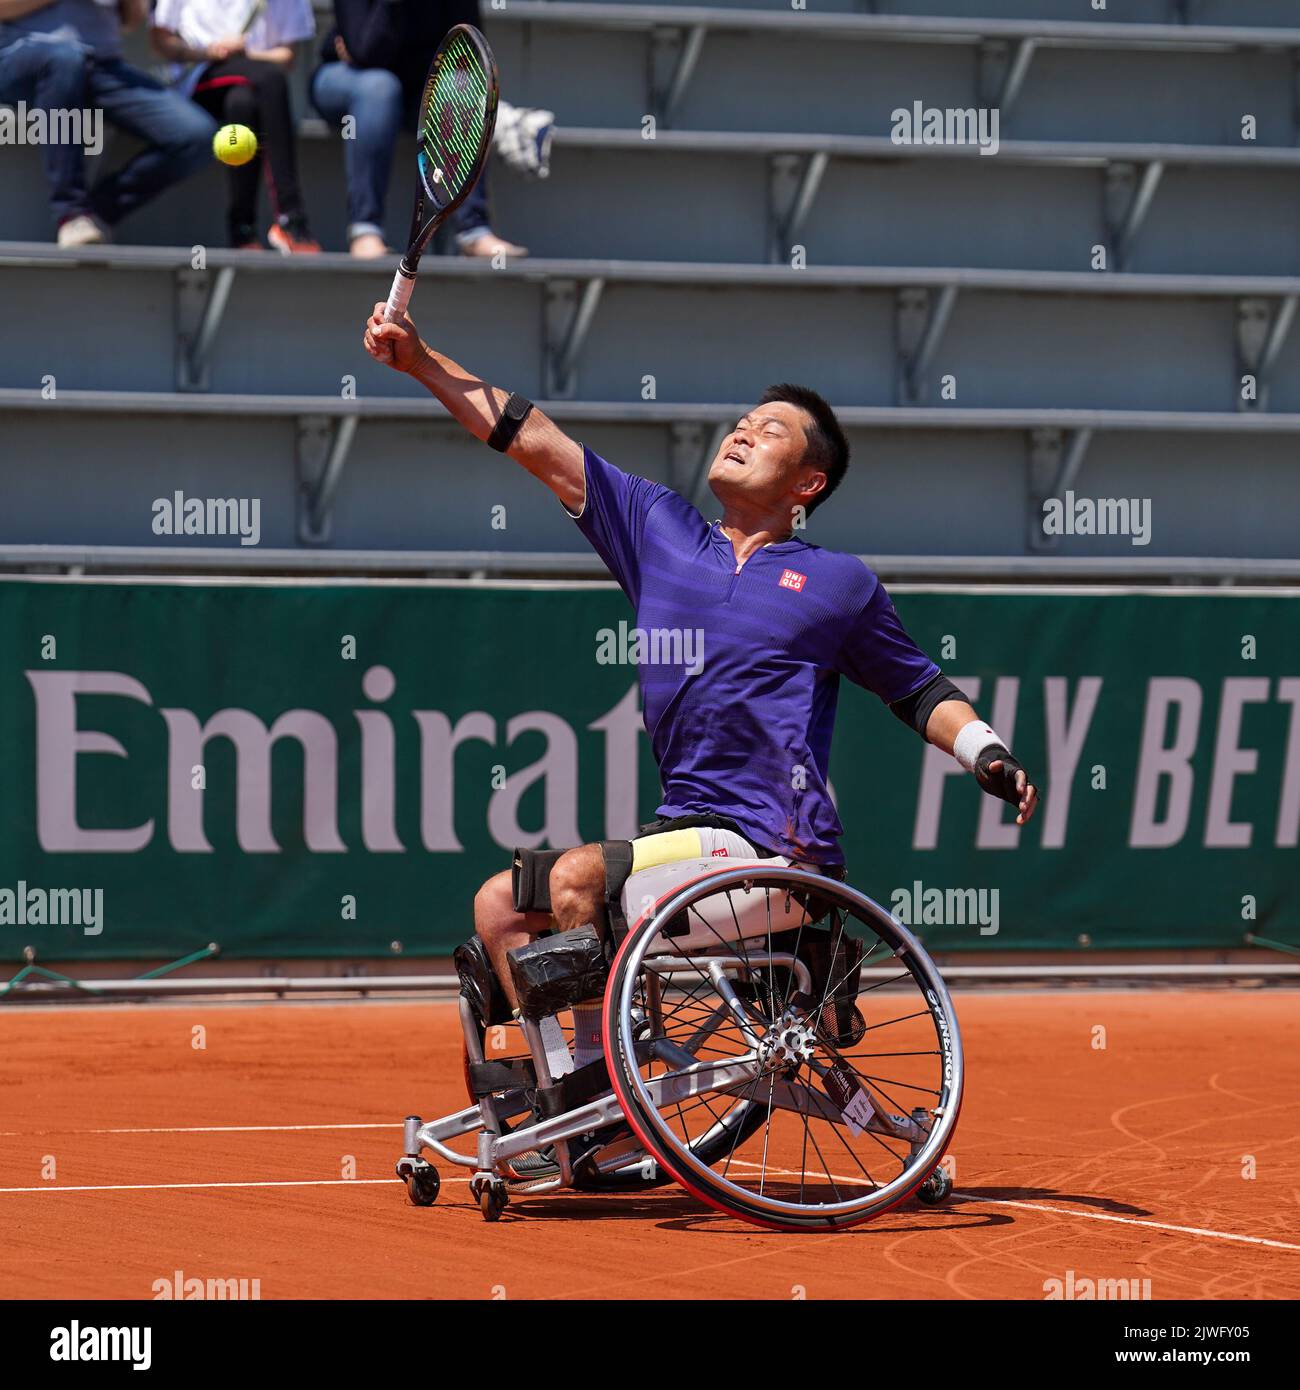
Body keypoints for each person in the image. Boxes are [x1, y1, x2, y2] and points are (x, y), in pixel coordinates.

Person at [363, 303, 1042, 1049]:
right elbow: (530, 437)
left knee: (577, 880)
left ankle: (608, 1096)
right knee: (498, 906)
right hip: (686, 834)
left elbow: (917, 690)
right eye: (743, 420)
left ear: (809, 484)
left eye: (772, 429)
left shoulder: (840, 584)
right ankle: (566, 1101)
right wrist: (422, 361)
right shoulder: (659, 531)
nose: (744, 431)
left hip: (775, 850)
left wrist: (986, 752)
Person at [311, 0, 525, 260]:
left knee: (460, 86)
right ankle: (365, 231)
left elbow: (465, 52)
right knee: (380, 88)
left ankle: (473, 230)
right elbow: (366, 51)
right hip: (347, 77)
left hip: (417, 83)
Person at [0, 0, 216, 246]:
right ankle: (70, 213)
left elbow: (132, 22)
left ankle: (97, 213)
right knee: (65, 60)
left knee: (197, 136)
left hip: (103, 66)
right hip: (21, 58)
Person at [151, 0, 319, 253]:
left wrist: (245, 52)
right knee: (271, 79)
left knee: (242, 104)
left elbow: (287, 57)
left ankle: (242, 231)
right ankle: (290, 216)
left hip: (251, 82)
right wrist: (208, 52)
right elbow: (161, 40)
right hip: (200, 77)